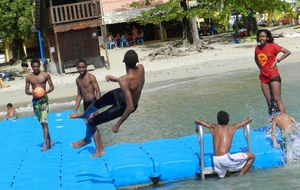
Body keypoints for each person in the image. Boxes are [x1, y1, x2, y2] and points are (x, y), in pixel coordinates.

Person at [69, 50, 145, 157]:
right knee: (97, 103)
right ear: (136, 62)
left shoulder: (124, 81)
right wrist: (117, 80)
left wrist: (118, 124)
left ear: (125, 63)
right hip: (119, 93)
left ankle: (86, 140)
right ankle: (84, 114)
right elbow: (132, 84)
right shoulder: (141, 68)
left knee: (91, 123)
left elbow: (131, 106)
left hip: (122, 106)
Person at [194, 111, 255, 178]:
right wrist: (248, 118)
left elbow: (198, 121)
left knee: (224, 181)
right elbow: (249, 120)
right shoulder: (232, 128)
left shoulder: (213, 127)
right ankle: (241, 176)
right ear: (228, 120)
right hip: (225, 159)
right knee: (252, 156)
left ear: (217, 120)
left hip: (216, 161)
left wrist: (197, 121)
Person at [254, 29, 291, 117]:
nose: (261, 38)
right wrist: (261, 68)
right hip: (263, 77)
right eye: (260, 36)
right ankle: (273, 123)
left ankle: (285, 121)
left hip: (273, 75)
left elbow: (287, 52)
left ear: (267, 38)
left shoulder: (273, 46)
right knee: (270, 103)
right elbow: (256, 59)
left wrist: (277, 60)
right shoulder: (257, 48)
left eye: (263, 36)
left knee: (277, 99)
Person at [72, 59, 102, 152]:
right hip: (86, 104)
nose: (81, 69)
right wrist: (75, 109)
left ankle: (97, 148)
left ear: (86, 67)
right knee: (90, 125)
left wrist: (97, 105)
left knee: (93, 125)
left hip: (93, 103)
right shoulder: (78, 80)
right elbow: (79, 95)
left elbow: (98, 91)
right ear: (77, 68)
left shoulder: (91, 77)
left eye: (83, 67)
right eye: (79, 67)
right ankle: (96, 146)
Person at [25, 58, 54, 152]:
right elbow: (26, 90)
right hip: (35, 102)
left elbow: (52, 87)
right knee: (42, 123)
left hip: (44, 101)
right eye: (34, 67)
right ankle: (50, 140)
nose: (36, 68)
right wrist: (32, 93)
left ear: (39, 66)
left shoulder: (45, 75)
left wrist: (45, 92)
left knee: (45, 122)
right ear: (32, 67)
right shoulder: (29, 77)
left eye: (37, 66)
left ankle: (45, 144)